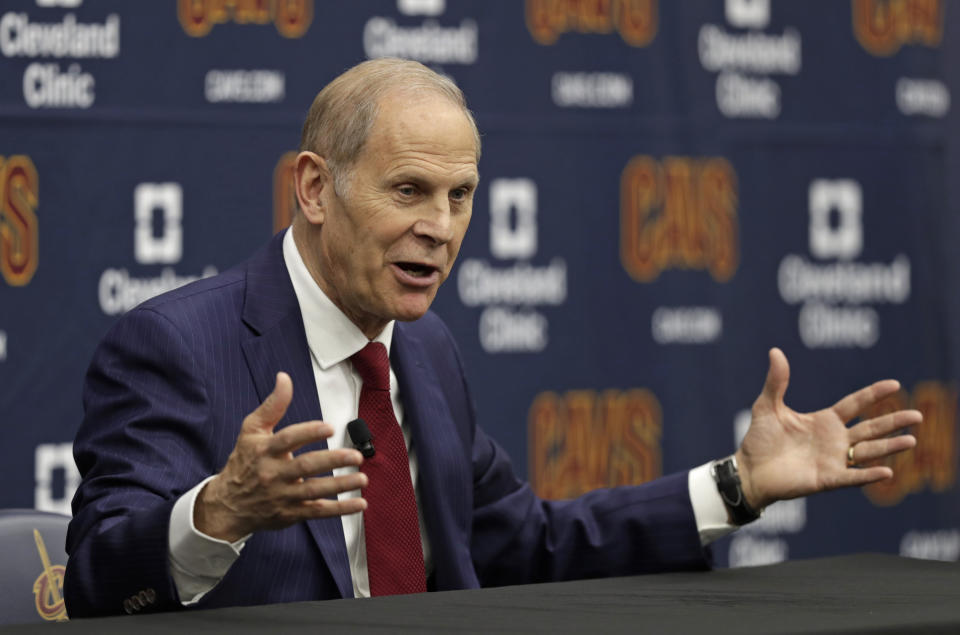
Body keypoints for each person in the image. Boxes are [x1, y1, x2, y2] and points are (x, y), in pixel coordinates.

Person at [63, 58, 921, 617]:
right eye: (409, 190)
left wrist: (737, 485)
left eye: (460, 195)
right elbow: (96, 583)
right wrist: (219, 512)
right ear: (316, 189)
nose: (441, 228)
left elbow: (526, 545)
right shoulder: (177, 345)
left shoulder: (425, 350)